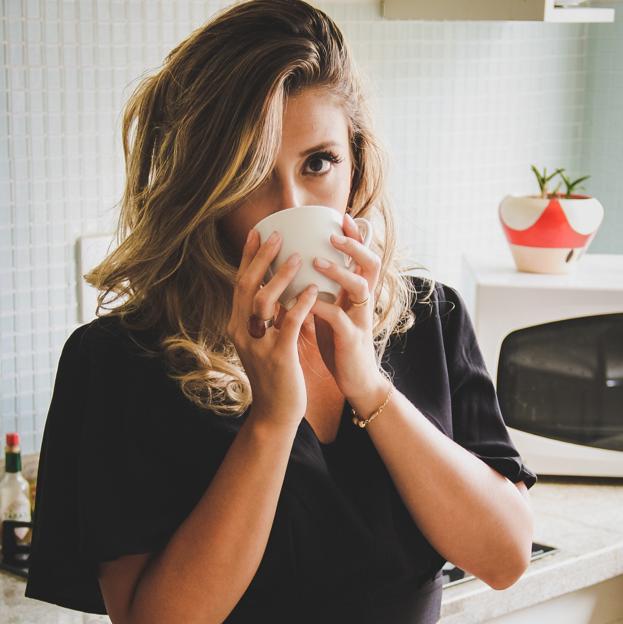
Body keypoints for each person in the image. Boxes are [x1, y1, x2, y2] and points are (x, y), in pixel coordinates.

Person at [24, 1, 537, 623]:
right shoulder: (118, 363)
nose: (289, 203)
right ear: (204, 186)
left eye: (318, 162)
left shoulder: (427, 319)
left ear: (356, 164)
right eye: (250, 172)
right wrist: (272, 418)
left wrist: (368, 385)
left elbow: (506, 558)